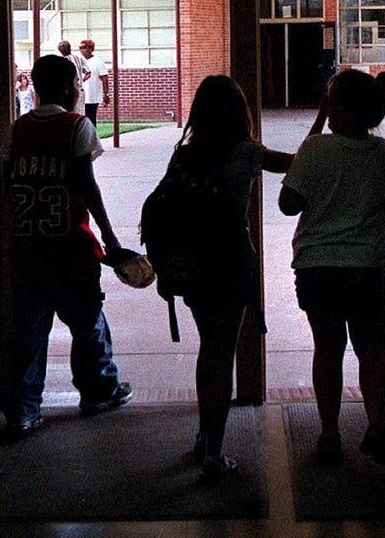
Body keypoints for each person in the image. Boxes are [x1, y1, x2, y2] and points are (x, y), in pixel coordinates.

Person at [279, 69, 385, 466]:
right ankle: (376, 426)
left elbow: (289, 204)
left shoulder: (315, 150)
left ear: (335, 109)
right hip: (367, 268)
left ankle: (329, 433)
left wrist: (316, 127)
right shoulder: (384, 152)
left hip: (317, 268)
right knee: (372, 350)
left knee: (329, 348)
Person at [0, 54, 133, 440]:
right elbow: (87, 187)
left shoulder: (17, 130)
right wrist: (110, 238)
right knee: (89, 324)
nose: (80, 87)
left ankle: (23, 412)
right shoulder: (78, 126)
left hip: (28, 250)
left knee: (28, 332)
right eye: (77, 82)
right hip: (71, 249)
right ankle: (98, 391)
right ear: (66, 87)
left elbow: (8, 190)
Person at [170, 74, 297, 478]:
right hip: (230, 262)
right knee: (222, 354)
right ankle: (214, 451)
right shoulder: (247, 153)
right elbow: (298, 164)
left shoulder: (184, 153)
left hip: (193, 265)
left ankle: (203, 436)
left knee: (208, 351)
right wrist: (321, 123)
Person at [77, 39, 110, 125]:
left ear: (91, 49)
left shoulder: (97, 61)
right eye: (80, 48)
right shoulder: (79, 61)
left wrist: (106, 94)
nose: (81, 50)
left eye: (84, 47)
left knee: (91, 119)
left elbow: (105, 78)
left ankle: (92, 137)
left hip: (92, 96)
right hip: (81, 95)